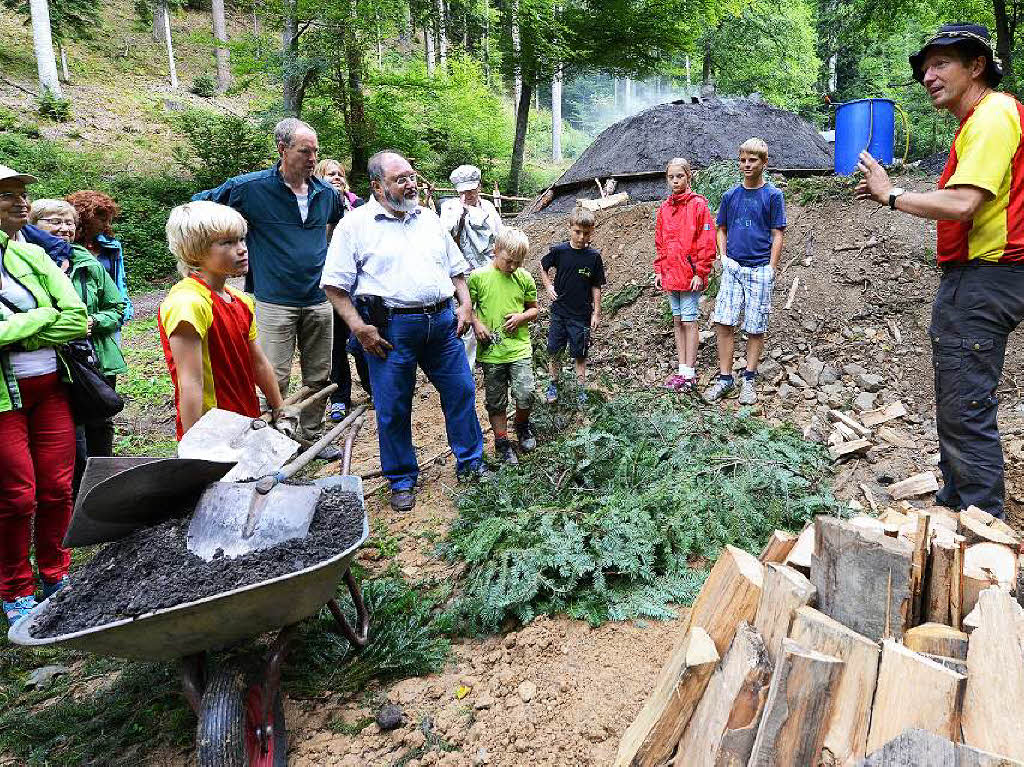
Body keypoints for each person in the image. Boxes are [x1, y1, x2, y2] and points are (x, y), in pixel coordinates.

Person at [855, 23, 1023, 518]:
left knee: (966, 402)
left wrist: (893, 195)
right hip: (985, 276)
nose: (929, 75)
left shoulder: (993, 117)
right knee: (959, 396)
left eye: (942, 62)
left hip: (987, 276)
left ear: (977, 67)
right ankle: (958, 502)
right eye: (925, 67)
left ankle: (979, 526)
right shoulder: (979, 122)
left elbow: (964, 202)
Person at [321, 150, 487, 513]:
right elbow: (333, 285)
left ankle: (472, 464)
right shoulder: (355, 226)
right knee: (393, 406)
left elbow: (456, 269)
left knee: (461, 390)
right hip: (389, 330)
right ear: (377, 186)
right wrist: (358, 327)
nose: (410, 183)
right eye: (401, 179)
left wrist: (466, 304)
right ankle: (401, 478)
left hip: (443, 325)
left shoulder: (428, 219)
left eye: (412, 176)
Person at [193, 118, 343, 455]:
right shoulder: (250, 188)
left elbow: (341, 230)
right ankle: (275, 438)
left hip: (319, 298)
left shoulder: (326, 194)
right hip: (274, 300)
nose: (312, 158)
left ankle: (312, 435)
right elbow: (200, 205)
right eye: (305, 151)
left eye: (316, 151)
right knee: (274, 374)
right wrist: (226, 242)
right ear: (282, 149)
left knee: (319, 373)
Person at [0, 165, 89, 625]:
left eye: (21, 194)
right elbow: (58, 318)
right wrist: (42, 322)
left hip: (52, 387)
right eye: (7, 196)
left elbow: (76, 317)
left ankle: (56, 574)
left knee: (56, 488)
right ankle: (15, 589)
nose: (20, 203)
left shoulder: (32, 256)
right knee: (17, 497)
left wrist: (15, 332)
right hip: (4, 400)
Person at [158, 201, 285, 440]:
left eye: (241, 239)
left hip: (246, 419)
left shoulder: (240, 300)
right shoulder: (188, 303)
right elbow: (190, 383)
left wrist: (280, 408)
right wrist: (194, 447)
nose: (242, 249)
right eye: (227, 242)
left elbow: (258, 362)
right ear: (195, 251)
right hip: (211, 429)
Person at [29, 199, 127, 494]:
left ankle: (103, 490)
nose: (64, 228)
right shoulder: (25, 261)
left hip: (94, 360)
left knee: (100, 421)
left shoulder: (87, 263)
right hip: (52, 360)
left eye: (69, 222)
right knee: (68, 431)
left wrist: (94, 322)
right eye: (54, 222)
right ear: (33, 226)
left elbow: (117, 306)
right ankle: (69, 495)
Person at [704, 138, 786, 406]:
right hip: (734, 268)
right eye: (743, 160)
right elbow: (721, 228)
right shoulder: (731, 196)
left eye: (753, 160)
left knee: (755, 325)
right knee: (724, 322)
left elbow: (777, 233)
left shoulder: (773, 196)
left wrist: (772, 268)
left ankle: (749, 378)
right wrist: (724, 256)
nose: (747, 165)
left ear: (764, 162)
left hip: (760, 268)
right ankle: (726, 379)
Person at [469, 227, 539, 464]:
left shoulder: (524, 278)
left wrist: (522, 317)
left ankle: (522, 425)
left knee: (526, 393)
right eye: (509, 261)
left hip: (519, 348)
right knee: (496, 399)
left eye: (518, 263)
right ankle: (501, 441)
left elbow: (534, 309)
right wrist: (477, 324)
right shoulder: (479, 277)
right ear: (495, 251)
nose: (512, 267)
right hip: (492, 352)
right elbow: (468, 309)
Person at [315, 158, 371, 423]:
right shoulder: (314, 206)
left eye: (339, 174)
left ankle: (374, 389)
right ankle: (340, 398)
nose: (336, 177)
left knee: (363, 340)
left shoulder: (358, 205)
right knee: (336, 345)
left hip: (360, 286)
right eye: (329, 174)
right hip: (332, 286)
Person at [654, 157, 716, 392]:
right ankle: (682, 370)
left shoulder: (699, 205)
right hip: (671, 275)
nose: (675, 181)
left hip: (690, 276)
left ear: (689, 177)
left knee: (690, 322)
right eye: (671, 177)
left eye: (679, 176)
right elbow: (660, 242)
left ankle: (690, 372)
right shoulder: (665, 208)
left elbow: (707, 242)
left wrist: (701, 272)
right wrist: (659, 270)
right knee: (678, 321)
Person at [539, 206, 606, 405]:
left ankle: (580, 389)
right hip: (559, 311)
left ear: (592, 231)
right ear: (570, 228)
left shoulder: (593, 257)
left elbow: (596, 286)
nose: (581, 237)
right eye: (577, 232)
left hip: (581, 314)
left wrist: (596, 312)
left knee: (580, 353)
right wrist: (548, 285)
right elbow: (543, 266)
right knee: (554, 350)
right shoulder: (559, 251)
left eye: (586, 233)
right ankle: (553, 384)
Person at [440, 164, 504, 368]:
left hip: (488, 269)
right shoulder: (450, 208)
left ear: (478, 187)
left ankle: (490, 356)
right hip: (462, 273)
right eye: (463, 191)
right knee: (467, 315)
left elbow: (499, 235)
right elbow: (444, 235)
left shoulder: (488, 207)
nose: (467, 194)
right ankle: (467, 363)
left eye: (471, 189)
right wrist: (459, 215)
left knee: (490, 310)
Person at [66, 190, 134, 329]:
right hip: (78, 317)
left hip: (109, 316)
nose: (107, 225)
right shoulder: (66, 246)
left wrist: (123, 311)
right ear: (86, 218)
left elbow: (120, 281)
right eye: (103, 220)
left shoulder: (111, 246)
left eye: (109, 220)